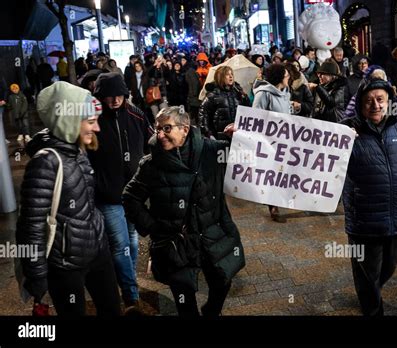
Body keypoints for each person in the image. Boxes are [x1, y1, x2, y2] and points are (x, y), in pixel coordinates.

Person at [122, 107, 245, 317]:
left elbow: (247, 158)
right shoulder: (151, 165)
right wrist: (154, 227)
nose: (160, 135)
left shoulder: (212, 151)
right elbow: (130, 197)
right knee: (184, 299)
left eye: (167, 128)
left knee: (223, 280)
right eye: (158, 129)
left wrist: (239, 138)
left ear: (185, 129)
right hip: (175, 244)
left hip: (212, 235)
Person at [16, 81, 121, 316]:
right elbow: (31, 226)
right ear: (69, 120)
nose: (97, 129)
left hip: (97, 253)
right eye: (91, 122)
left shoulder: (78, 152)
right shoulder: (46, 162)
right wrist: (37, 279)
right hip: (65, 267)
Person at [341, 78, 397, 316]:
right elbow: (308, 146)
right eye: (368, 101)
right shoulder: (346, 130)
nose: (375, 105)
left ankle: (369, 295)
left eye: (380, 99)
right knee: (367, 273)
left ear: (388, 102)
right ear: (360, 105)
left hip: (396, 216)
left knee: (389, 265)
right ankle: (373, 310)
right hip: (364, 219)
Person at [90, 72, 154, 314]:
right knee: (120, 244)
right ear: (101, 96)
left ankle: (129, 281)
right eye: (109, 96)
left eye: (119, 95)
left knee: (133, 242)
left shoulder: (136, 114)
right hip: (108, 196)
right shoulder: (93, 119)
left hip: (135, 194)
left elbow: (152, 141)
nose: (115, 100)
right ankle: (131, 295)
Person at [253, 63, 292, 223]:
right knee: (272, 173)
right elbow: (255, 117)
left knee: (282, 172)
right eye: (286, 75)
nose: (289, 77)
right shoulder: (263, 95)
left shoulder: (286, 93)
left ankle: (278, 199)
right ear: (279, 78)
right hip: (270, 141)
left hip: (285, 140)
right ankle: (272, 204)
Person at [198, 66, 250, 138]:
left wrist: (245, 97)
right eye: (227, 74)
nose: (231, 76)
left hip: (237, 134)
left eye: (231, 74)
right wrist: (209, 134)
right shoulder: (212, 95)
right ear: (220, 77)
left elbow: (247, 110)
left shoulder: (238, 92)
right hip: (219, 136)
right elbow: (203, 116)